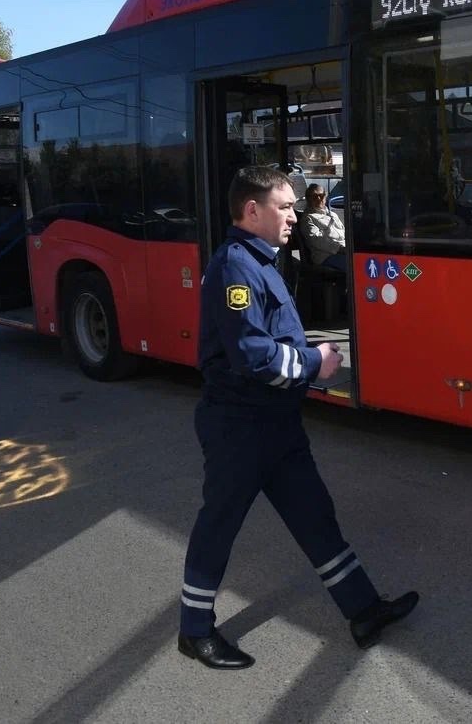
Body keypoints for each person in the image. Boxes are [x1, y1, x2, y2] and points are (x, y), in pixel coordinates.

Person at [178, 166, 417, 670]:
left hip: (276, 424)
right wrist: (318, 364)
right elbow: (253, 356)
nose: (294, 216)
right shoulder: (235, 269)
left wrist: (306, 361)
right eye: (285, 207)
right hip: (239, 427)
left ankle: (363, 609)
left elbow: (272, 342)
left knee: (315, 516)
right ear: (252, 211)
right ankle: (194, 631)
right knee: (219, 526)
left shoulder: (264, 262)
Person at [300, 183, 347, 272]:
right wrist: (340, 249)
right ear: (308, 199)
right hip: (326, 256)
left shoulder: (333, 215)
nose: (318, 199)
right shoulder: (308, 218)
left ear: (325, 197)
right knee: (354, 265)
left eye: (321, 196)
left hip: (344, 250)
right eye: (314, 196)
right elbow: (318, 241)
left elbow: (344, 233)